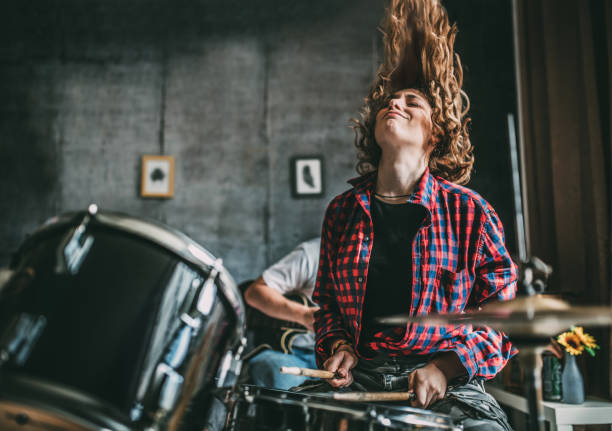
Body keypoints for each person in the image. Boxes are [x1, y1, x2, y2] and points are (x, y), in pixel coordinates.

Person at [298, 1, 517, 430]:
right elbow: (326, 306)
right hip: (359, 377)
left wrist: (446, 368)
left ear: (436, 134)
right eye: (390, 100)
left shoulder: (470, 212)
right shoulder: (342, 212)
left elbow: (503, 318)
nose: (395, 103)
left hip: (447, 382)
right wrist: (338, 346)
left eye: (411, 101)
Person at [244, 238, 320, 390]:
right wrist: (303, 315)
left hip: (341, 362)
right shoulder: (313, 253)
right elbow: (254, 292)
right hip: (287, 353)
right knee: (285, 385)